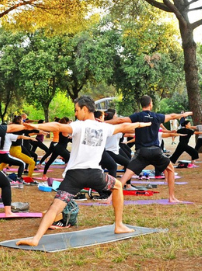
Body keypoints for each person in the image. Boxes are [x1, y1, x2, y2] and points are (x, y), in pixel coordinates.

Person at [15, 96, 148, 246]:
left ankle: (36, 238)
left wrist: (35, 127)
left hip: (74, 176)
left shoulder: (79, 125)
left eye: (77, 110)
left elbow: (58, 127)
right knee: (117, 186)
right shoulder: (103, 127)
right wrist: (142, 124)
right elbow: (124, 127)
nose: (76, 113)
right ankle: (119, 225)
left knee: (55, 207)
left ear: (85, 109)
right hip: (95, 175)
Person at [108, 95, 192, 203]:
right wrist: (183, 115)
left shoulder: (137, 116)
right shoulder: (157, 116)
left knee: (125, 177)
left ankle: (110, 198)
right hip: (156, 151)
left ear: (141, 105)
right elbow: (171, 116)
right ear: (151, 104)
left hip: (142, 152)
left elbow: (120, 120)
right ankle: (171, 197)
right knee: (170, 170)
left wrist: (102, 123)